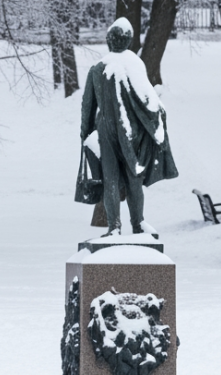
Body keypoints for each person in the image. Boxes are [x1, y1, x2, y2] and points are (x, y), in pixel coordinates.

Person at [77, 18, 178, 236]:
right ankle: (138, 223)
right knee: (135, 178)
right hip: (133, 133)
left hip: (106, 132)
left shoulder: (97, 69)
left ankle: (114, 227)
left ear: (108, 40)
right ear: (129, 41)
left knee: (110, 179)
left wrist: (85, 134)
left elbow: (87, 106)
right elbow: (149, 101)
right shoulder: (135, 65)